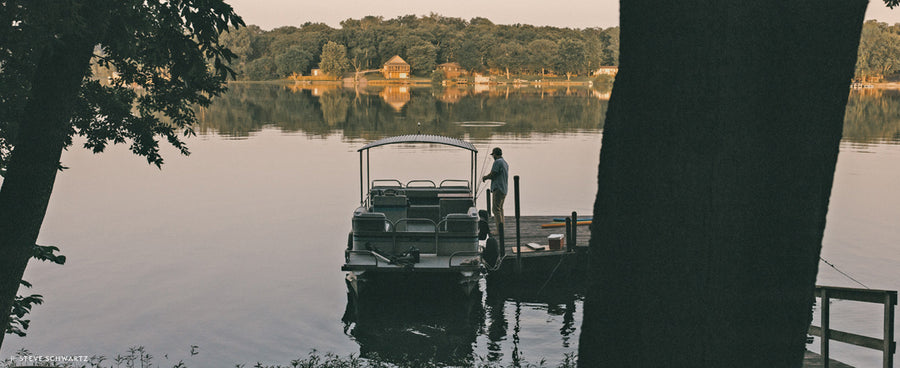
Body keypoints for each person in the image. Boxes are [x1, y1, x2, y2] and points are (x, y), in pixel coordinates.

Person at [482, 147, 509, 232]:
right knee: (500, 209)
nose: (492, 156)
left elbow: (493, 174)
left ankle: (499, 230)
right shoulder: (505, 162)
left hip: (498, 188)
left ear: (495, 154)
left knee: (495, 209)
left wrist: (485, 177)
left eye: (493, 154)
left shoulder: (497, 162)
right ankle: (501, 228)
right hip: (504, 189)